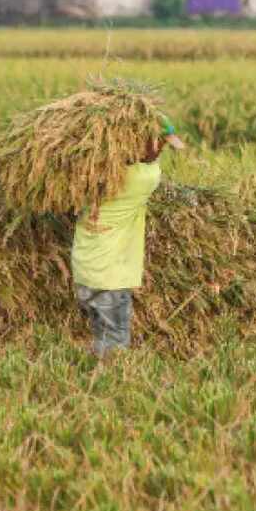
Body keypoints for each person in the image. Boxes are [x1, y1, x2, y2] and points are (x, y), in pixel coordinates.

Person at [71, 117, 185, 358]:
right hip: (111, 278)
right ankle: (108, 388)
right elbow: (151, 167)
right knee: (115, 342)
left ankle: (90, 378)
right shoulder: (140, 179)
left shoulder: (92, 174)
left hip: (85, 272)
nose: (161, 149)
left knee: (102, 334)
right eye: (160, 143)